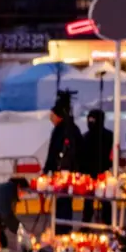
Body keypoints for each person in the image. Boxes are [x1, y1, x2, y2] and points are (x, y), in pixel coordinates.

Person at [44, 95, 82, 234]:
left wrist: (48, 168)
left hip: (64, 171)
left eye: (52, 116)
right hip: (67, 170)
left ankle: (62, 228)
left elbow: (54, 151)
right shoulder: (70, 128)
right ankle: (62, 227)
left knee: (63, 201)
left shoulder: (64, 130)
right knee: (63, 201)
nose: (50, 118)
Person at [80, 108, 114, 225]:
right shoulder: (86, 137)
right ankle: (87, 222)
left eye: (93, 119)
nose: (90, 122)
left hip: (102, 172)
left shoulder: (108, 136)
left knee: (104, 199)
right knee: (89, 199)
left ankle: (106, 222)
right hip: (90, 173)